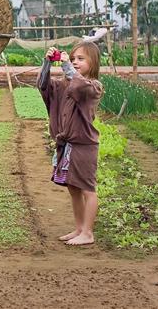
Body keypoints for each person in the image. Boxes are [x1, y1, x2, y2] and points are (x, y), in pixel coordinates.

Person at [37, 42, 103, 246]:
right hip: (67, 146)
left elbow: (80, 85)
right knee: (73, 188)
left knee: (87, 189)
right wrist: (47, 63)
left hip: (83, 146)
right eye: (73, 58)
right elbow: (43, 86)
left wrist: (67, 67)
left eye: (81, 59)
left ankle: (88, 233)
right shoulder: (63, 84)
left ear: (94, 63)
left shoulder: (93, 87)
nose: (75, 62)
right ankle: (79, 228)